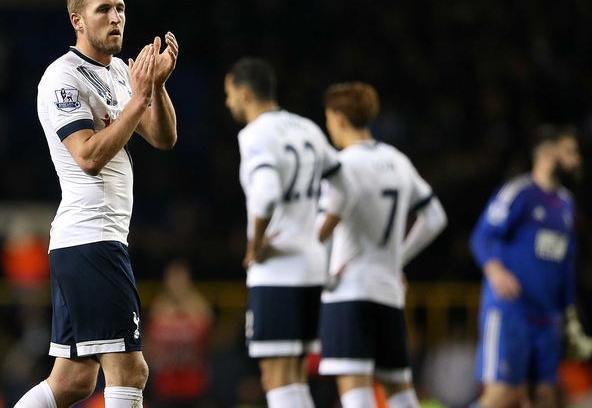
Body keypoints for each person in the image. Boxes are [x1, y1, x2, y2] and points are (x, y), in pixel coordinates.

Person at [15, 0, 179, 408]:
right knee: (130, 370)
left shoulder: (121, 75)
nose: (115, 18)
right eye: (103, 9)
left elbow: (164, 139)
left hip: (93, 240)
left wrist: (154, 89)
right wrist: (138, 99)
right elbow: (87, 156)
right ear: (78, 20)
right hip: (92, 237)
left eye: (120, 8)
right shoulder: (62, 77)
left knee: (73, 381)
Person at [224, 57, 352, 408]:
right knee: (294, 374)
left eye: (229, 93)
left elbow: (265, 194)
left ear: (245, 93)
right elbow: (346, 187)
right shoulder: (306, 128)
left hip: (278, 270)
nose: (228, 102)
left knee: (276, 376)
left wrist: (257, 243)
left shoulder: (255, 135)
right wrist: (318, 234)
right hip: (311, 266)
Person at [316, 82, 447, 408]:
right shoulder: (397, 160)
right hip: (388, 290)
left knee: (355, 390)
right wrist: (398, 258)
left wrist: (325, 276)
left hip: (349, 290)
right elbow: (435, 216)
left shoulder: (341, 165)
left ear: (339, 118)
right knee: (399, 390)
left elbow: (322, 229)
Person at [469, 125, 586, 408]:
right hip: (511, 312)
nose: (577, 159)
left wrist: (568, 314)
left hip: (547, 319)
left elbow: (566, 264)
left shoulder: (567, 205)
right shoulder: (518, 193)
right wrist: (495, 271)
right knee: (503, 396)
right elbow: (483, 236)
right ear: (547, 154)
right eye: (569, 152)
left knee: (544, 398)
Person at [144, 260, 213, 407]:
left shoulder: (200, 307)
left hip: (193, 383)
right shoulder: (158, 308)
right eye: (173, 278)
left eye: (181, 278)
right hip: (165, 383)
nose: (177, 283)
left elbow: (209, 337)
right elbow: (150, 346)